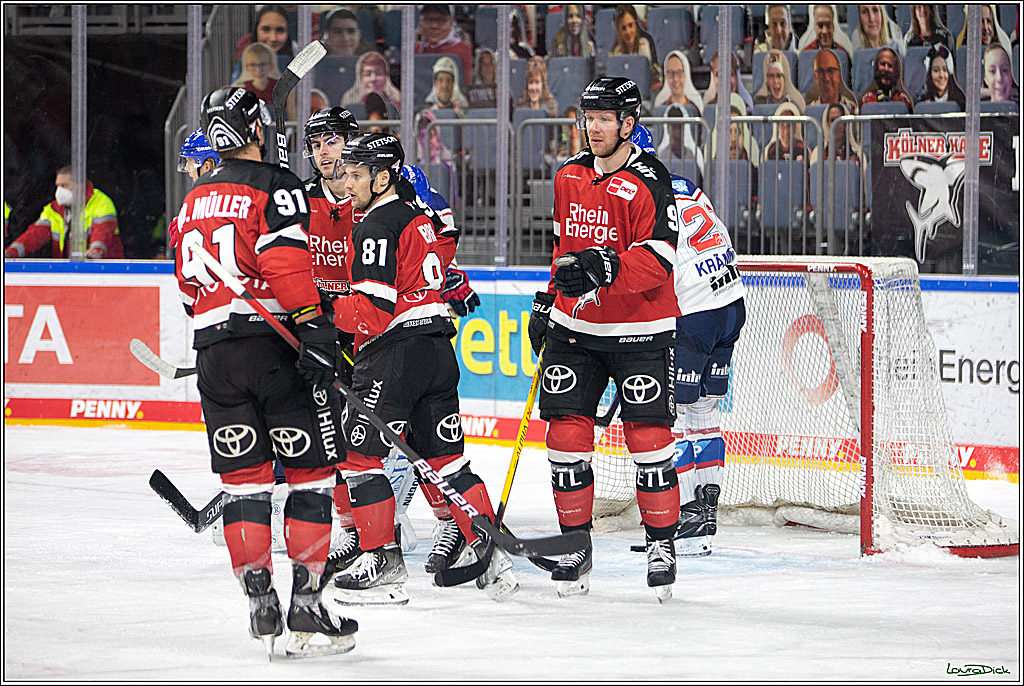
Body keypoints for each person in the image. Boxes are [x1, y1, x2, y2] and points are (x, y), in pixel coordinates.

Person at [177, 86, 356, 657]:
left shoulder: (193, 198)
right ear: (255, 131)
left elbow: (187, 288)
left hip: (215, 357)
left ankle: (258, 594)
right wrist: (313, 327)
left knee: (244, 483)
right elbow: (283, 264)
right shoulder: (277, 187)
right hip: (274, 353)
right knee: (310, 477)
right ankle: (305, 604)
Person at [329, 132, 518, 603]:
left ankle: (383, 561)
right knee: (447, 460)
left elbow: (372, 312)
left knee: (359, 457)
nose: (345, 184)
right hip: (436, 350)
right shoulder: (419, 216)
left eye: (355, 175)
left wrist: (321, 312)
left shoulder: (377, 223)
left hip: (393, 355)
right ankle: (490, 551)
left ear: (382, 176)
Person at [528, 77, 681, 602]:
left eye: (603, 117)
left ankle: (661, 543)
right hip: (577, 328)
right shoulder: (569, 175)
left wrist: (609, 263)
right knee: (565, 438)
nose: (593, 127)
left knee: (647, 440)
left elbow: (661, 259)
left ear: (628, 124)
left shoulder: (650, 179)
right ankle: (575, 544)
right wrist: (549, 299)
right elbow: (562, 248)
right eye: (588, 117)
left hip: (639, 329)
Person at [630, 124, 747, 558]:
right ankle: (705, 515)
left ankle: (676, 517)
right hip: (731, 302)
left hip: (695, 312)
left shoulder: (642, 196)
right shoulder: (686, 186)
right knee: (705, 411)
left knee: (671, 417)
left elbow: (649, 270)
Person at [6, 166, 122, 259]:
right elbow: (34, 235)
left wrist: (96, 251)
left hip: (104, 271)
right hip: (68, 271)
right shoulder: (55, 208)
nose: (59, 191)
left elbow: (102, 232)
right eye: (57, 186)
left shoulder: (101, 203)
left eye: (64, 185)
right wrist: (10, 253)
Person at [168, 129, 221, 250]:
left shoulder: (196, 205)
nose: (187, 168)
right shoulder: (238, 194)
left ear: (207, 166)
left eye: (190, 162)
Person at [232, 5, 296, 81]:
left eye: (280, 30)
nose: (273, 38)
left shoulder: (296, 59)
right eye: (266, 29)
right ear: (256, 30)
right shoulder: (242, 59)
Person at [415, 4, 473, 86]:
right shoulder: (416, 49)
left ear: (451, 23)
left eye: (440, 20)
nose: (434, 26)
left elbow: (467, 86)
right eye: (428, 19)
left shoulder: (462, 50)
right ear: (421, 22)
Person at [609, 5, 662, 91]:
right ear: (618, 30)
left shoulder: (645, 43)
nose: (628, 31)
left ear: (636, 24)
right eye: (623, 28)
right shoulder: (616, 51)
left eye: (630, 25)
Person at [656, 103, 705, 178]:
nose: (677, 131)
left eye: (679, 126)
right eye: (674, 127)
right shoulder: (662, 156)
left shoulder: (693, 154)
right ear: (668, 129)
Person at [859, 47, 914, 112]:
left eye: (890, 65)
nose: (886, 69)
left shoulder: (903, 99)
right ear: (876, 67)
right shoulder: (867, 99)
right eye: (882, 64)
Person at [804, 48, 859, 113]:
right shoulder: (810, 110)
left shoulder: (850, 108)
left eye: (831, 71)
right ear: (815, 77)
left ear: (839, 74)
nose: (826, 78)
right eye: (820, 72)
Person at [917, 44, 966, 109]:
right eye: (936, 70)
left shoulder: (960, 101)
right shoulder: (922, 103)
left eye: (944, 70)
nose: (941, 75)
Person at [231, 42, 281, 106]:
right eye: (253, 65)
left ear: (271, 66)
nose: (258, 70)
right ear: (246, 67)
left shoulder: (281, 89)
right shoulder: (239, 92)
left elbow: (291, 114)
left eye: (263, 64)